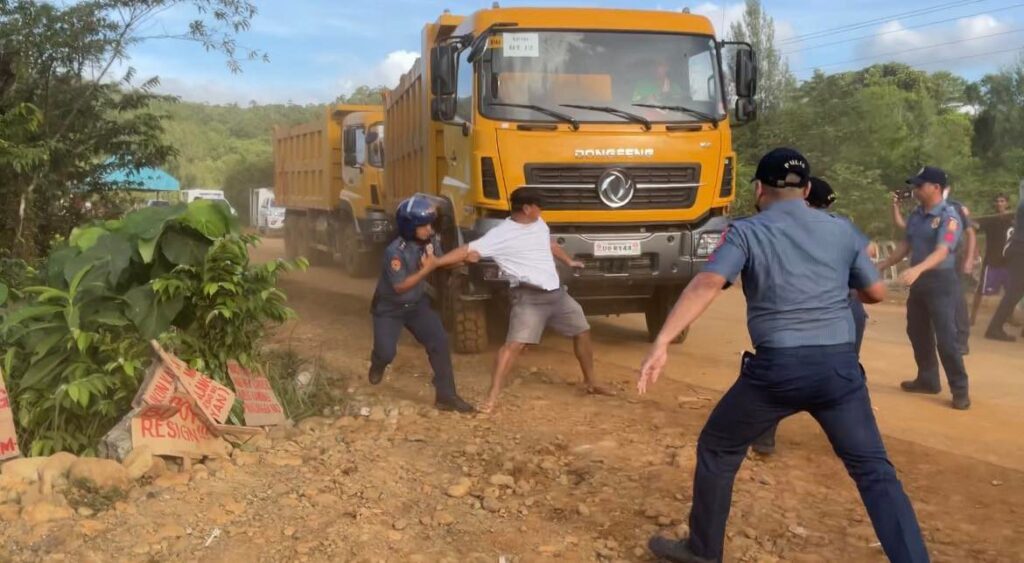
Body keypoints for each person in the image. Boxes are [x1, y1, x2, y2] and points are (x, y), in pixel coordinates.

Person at [638, 148, 929, 563]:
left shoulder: (745, 232)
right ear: (807, 189)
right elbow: (876, 293)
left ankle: (704, 552)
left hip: (777, 371)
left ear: (759, 189)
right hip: (839, 371)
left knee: (719, 448)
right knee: (874, 471)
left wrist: (662, 341)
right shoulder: (842, 229)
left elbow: (706, 284)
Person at [443, 188, 613, 413]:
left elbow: (549, 244)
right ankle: (491, 397)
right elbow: (467, 250)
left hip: (556, 294)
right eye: (537, 206)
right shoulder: (501, 234)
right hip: (528, 298)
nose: (540, 210)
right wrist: (436, 262)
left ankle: (592, 382)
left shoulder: (538, 223)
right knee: (513, 346)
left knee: (582, 330)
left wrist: (568, 261)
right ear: (526, 208)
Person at [751, 176, 871, 456]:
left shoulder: (784, 226)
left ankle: (764, 439)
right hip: (849, 310)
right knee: (846, 375)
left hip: (798, 312)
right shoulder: (840, 225)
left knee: (776, 371)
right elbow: (871, 252)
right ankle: (856, 442)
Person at [368, 196, 475, 413]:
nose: (429, 229)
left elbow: (441, 262)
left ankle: (446, 396)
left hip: (416, 306)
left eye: (430, 224)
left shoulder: (430, 242)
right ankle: (378, 363)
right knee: (387, 352)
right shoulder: (394, 252)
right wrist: (427, 269)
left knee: (439, 342)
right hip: (389, 309)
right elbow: (401, 286)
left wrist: (464, 259)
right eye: (423, 225)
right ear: (409, 227)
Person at [876, 166, 971, 410]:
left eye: (920, 185)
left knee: (946, 337)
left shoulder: (950, 217)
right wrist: (884, 264)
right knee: (916, 331)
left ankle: (960, 389)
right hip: (919, 284)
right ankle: (928, 379)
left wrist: (918, 269)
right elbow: (905, 244)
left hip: (940, 281)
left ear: (936, 188)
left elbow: (943, 250)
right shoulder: (917, 215)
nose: (915, 189)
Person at [891, 184, 975, 355]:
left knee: (957, 300)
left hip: (951, 260)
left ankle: (961, 340)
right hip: (926, 265)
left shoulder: (954, 209)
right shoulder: (921, 211)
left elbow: (970, 233)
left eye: (922, 186)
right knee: (925, 311)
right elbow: (906, 228)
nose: (917, 190)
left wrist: (969, 259)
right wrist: (895, 208)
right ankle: (930, 368)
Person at [985, 189, 1024, 341]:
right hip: (1021, 249)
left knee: (1017, 291)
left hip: (1018, 249)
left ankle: (995, 327)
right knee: (1015, 291)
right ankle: (994, 328)